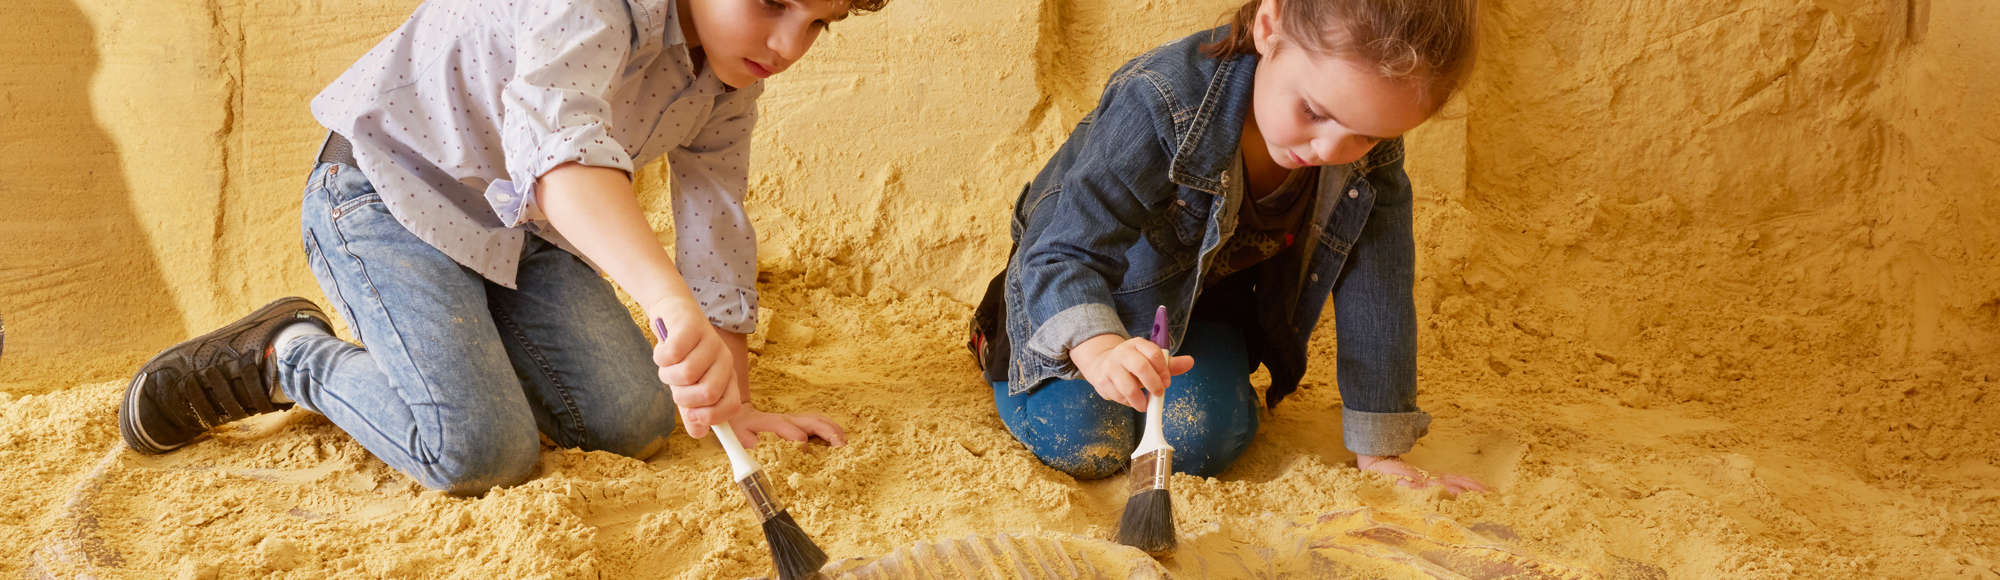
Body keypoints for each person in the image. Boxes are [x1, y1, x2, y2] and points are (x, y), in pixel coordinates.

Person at [118, 0, 885, 495]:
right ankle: (287, 355)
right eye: (774, 3)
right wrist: (663, 298)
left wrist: (736, 403)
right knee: (480, 452)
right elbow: (559, 157)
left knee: (637, 420)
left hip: (517, 229)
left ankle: (466, 347)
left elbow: (715, 218)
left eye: (821, 21)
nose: (789, 45)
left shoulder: (728, 82)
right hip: (387, 195)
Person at [971, 0, 1487, 493]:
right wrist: (1100, 349)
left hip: (1204, 301)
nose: (1331, 150)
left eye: (1368, 136)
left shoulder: (1363, 150)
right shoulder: (1160, 99)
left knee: (1200, 441)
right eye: (1313, 111)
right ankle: (994, 331)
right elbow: (1065, 248)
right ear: (1269, 27)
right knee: (1085, 440)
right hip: (1080, 281)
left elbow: (1379, 286)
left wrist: (1382, 452)